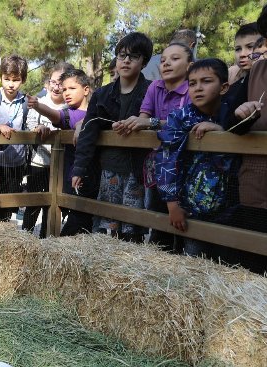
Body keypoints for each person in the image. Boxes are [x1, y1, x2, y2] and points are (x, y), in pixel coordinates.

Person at [71, 32, 153, 240]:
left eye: (133, 56)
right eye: (121, 55)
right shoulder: (101, 95)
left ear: (143, 62)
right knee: (106, 228)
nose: (126, 60)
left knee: (132, 230)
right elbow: (89, 133)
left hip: (139, 170)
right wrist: (79, 168)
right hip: (108, 169)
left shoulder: (152, 90)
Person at [155, 58, 239, 260]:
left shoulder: (232, 115)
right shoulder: (180, 117)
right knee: (193, 261)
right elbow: (166, 157)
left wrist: (222, 132)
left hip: (230, 210)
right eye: (192, 83)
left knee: (226, 263)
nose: (198, 88)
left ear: (224, 87)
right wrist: (172, 204)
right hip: (190, 209)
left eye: (206, 81)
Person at [115, 42, 193, 252]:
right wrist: (128, 124)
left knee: (187, 228)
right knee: (158, 223)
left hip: (187, 167)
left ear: (189, 66)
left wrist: (151, 123)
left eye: (175, 59)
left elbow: (188, 123)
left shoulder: (194, 89)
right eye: (163, 60)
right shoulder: (154, 87)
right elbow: (143, 118)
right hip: (158, 166)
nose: (166, 63)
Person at [225, 5, 267, 274]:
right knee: (254, 266)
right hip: (257, 185)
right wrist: (241, 115)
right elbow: (231, 123)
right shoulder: (256, 72)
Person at [0, 55, 37, 222]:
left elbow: (31, 124)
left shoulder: (26, 101)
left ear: (23, 80)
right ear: (1, 78)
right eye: (7, 79)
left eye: (16, 80)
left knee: (8, 206)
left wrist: (37, 128)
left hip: (16, 162)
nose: (11, 84)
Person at [24, 62, 74, 237]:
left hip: (60, 166)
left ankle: (47, 241)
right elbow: (29, 124)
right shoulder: (39, 102)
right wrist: (37, 127)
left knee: (53, 207)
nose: (56, 87)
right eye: (53, 82)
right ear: (48, 83)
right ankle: (26, 240)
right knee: (33, 204)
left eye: (61, 83)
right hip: (38, 163)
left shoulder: (71, 107)